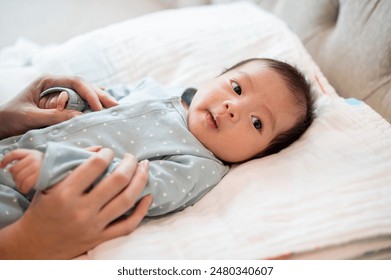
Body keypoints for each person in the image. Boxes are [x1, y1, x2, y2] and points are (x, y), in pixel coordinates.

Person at [0, 58, 314, 229]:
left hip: (26, 194)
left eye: (257, 122)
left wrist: (58, 166)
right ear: (216, 76)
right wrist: (73, 100)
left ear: (256, 155)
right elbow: (108, 97)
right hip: (12, 141)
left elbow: (134, 187)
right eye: (236, 87)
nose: (235, 108)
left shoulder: (199, 165)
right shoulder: (158, 89)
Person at [0, 75, 152, 259]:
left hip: (26, 187)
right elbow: (102, 96)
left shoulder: (194, 162)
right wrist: (69, 100)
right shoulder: (149, 86)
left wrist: (58, 167)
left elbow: (143, 184)